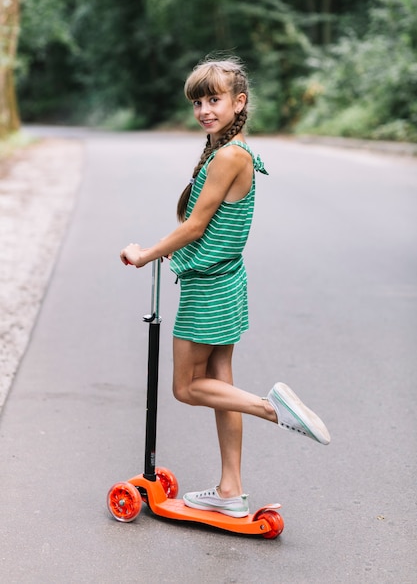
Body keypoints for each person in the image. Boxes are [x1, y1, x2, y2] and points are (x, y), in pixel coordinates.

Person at [120, 56, 330, 519]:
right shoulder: (230, 153)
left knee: (185, 387)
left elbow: (195, 227)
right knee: (219, 382)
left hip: (210, 287)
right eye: (198, 101)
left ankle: (273, 410)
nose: (204, 109)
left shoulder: (230, 156)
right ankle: (231, 490)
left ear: (239, 102)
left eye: (213, 99)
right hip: (225, 281)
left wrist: (146, 253)